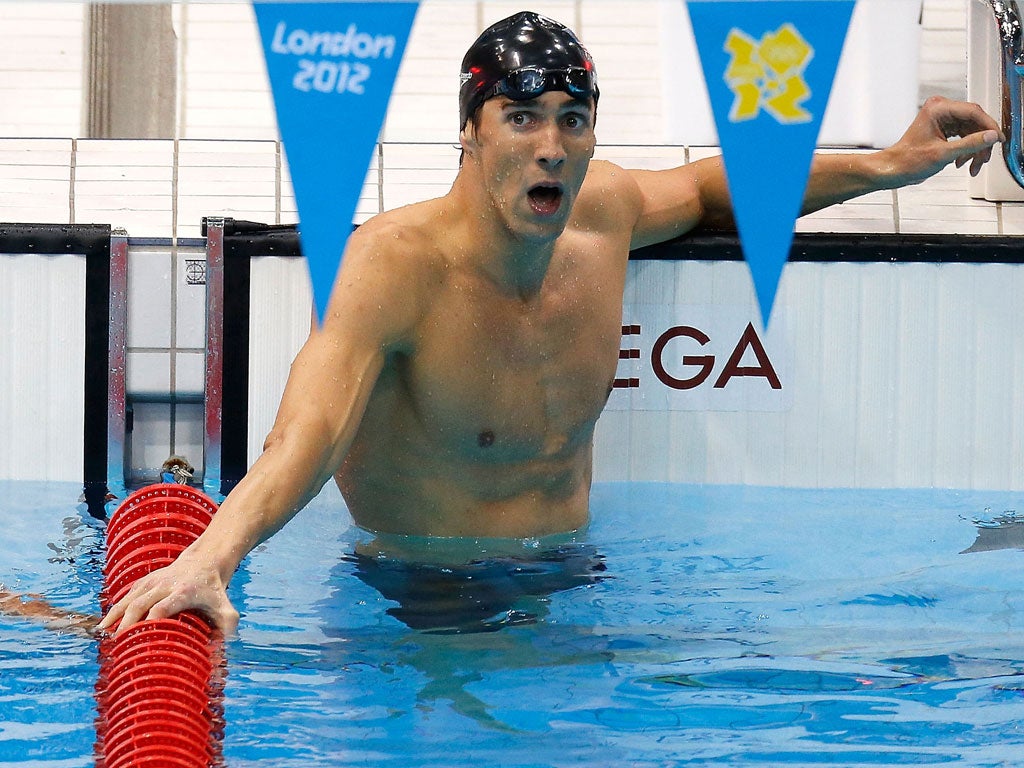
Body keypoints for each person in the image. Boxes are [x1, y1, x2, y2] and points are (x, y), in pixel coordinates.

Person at [96, 11, 1003, 638]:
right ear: (471, 133)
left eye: (573, 120)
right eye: (521, 117)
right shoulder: (392, 264)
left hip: (575, 577)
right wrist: (212, 558)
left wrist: (888, 165)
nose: (551, 146)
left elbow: (708, 188)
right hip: (423, 599)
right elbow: (307, 436)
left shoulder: (600, 214)